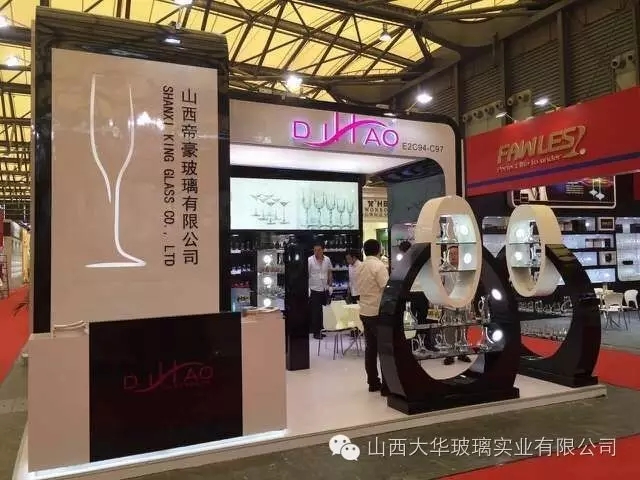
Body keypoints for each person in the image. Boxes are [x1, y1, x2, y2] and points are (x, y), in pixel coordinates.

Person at [355, 239, 389, 395]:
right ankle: (387, 385)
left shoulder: (360, 267)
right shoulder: (379, 266)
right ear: (378, 250)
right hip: (377, 312)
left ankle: (373, 382)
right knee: (384, 349)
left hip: (364, 311)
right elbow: (386, 288)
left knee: (370, 349)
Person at [442, 245, 472, 366]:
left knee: (463, 329)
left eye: (455, 254)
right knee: (449, 329)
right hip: (450, 304)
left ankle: (462, 353)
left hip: (464, 303)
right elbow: (440, 284)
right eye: (451, 254)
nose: (453, 256)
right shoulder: (444, 269)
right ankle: (449, 355)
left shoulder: (466, 268)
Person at [308, 243, 332, 340]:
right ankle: (316, 332)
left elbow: (329, 272)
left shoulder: (327, 259)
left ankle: (321, 330)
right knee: (315, 312)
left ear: (323, 250)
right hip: (314, 289)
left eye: (318, 250)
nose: (316, 252)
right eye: (315, 250)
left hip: (324, 289)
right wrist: (308, 288)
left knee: (323, 312)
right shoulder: (310, 260)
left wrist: (330, 285)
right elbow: (307, 274)